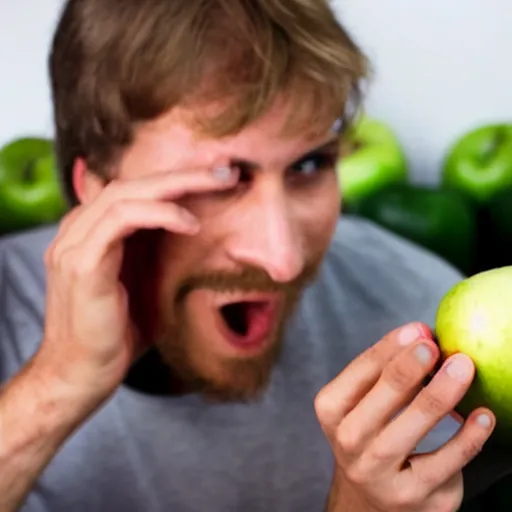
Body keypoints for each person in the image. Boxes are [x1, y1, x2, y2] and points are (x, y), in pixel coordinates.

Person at [0, 1, 507, 511]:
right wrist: (56, 386)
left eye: (310, 164)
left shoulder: (420, 316)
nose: (282, 261)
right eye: (222, 179)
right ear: (96, 187)